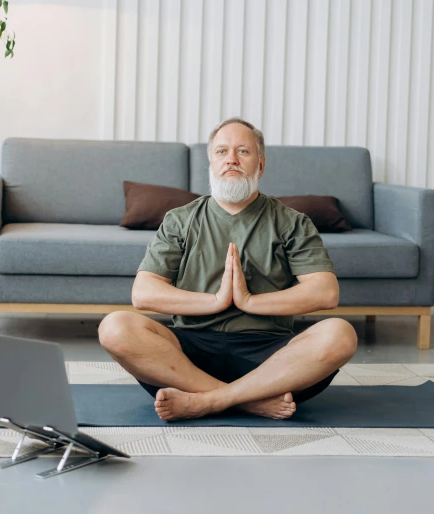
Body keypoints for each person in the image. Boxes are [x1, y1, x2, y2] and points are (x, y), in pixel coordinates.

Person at [98, 117, 358, 422]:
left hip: (269, 357)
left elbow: (325, 292)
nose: (231, 160)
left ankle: (207, 401)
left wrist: (249, 302)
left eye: (243, 152)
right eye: (221, 152)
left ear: (260, 165)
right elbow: (143, 293)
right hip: (189, 354)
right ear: (211, 163)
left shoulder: (293, 222)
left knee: (340, 334)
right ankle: (250, 401)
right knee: (115, 327)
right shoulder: (179, 220)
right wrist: (215, 302)